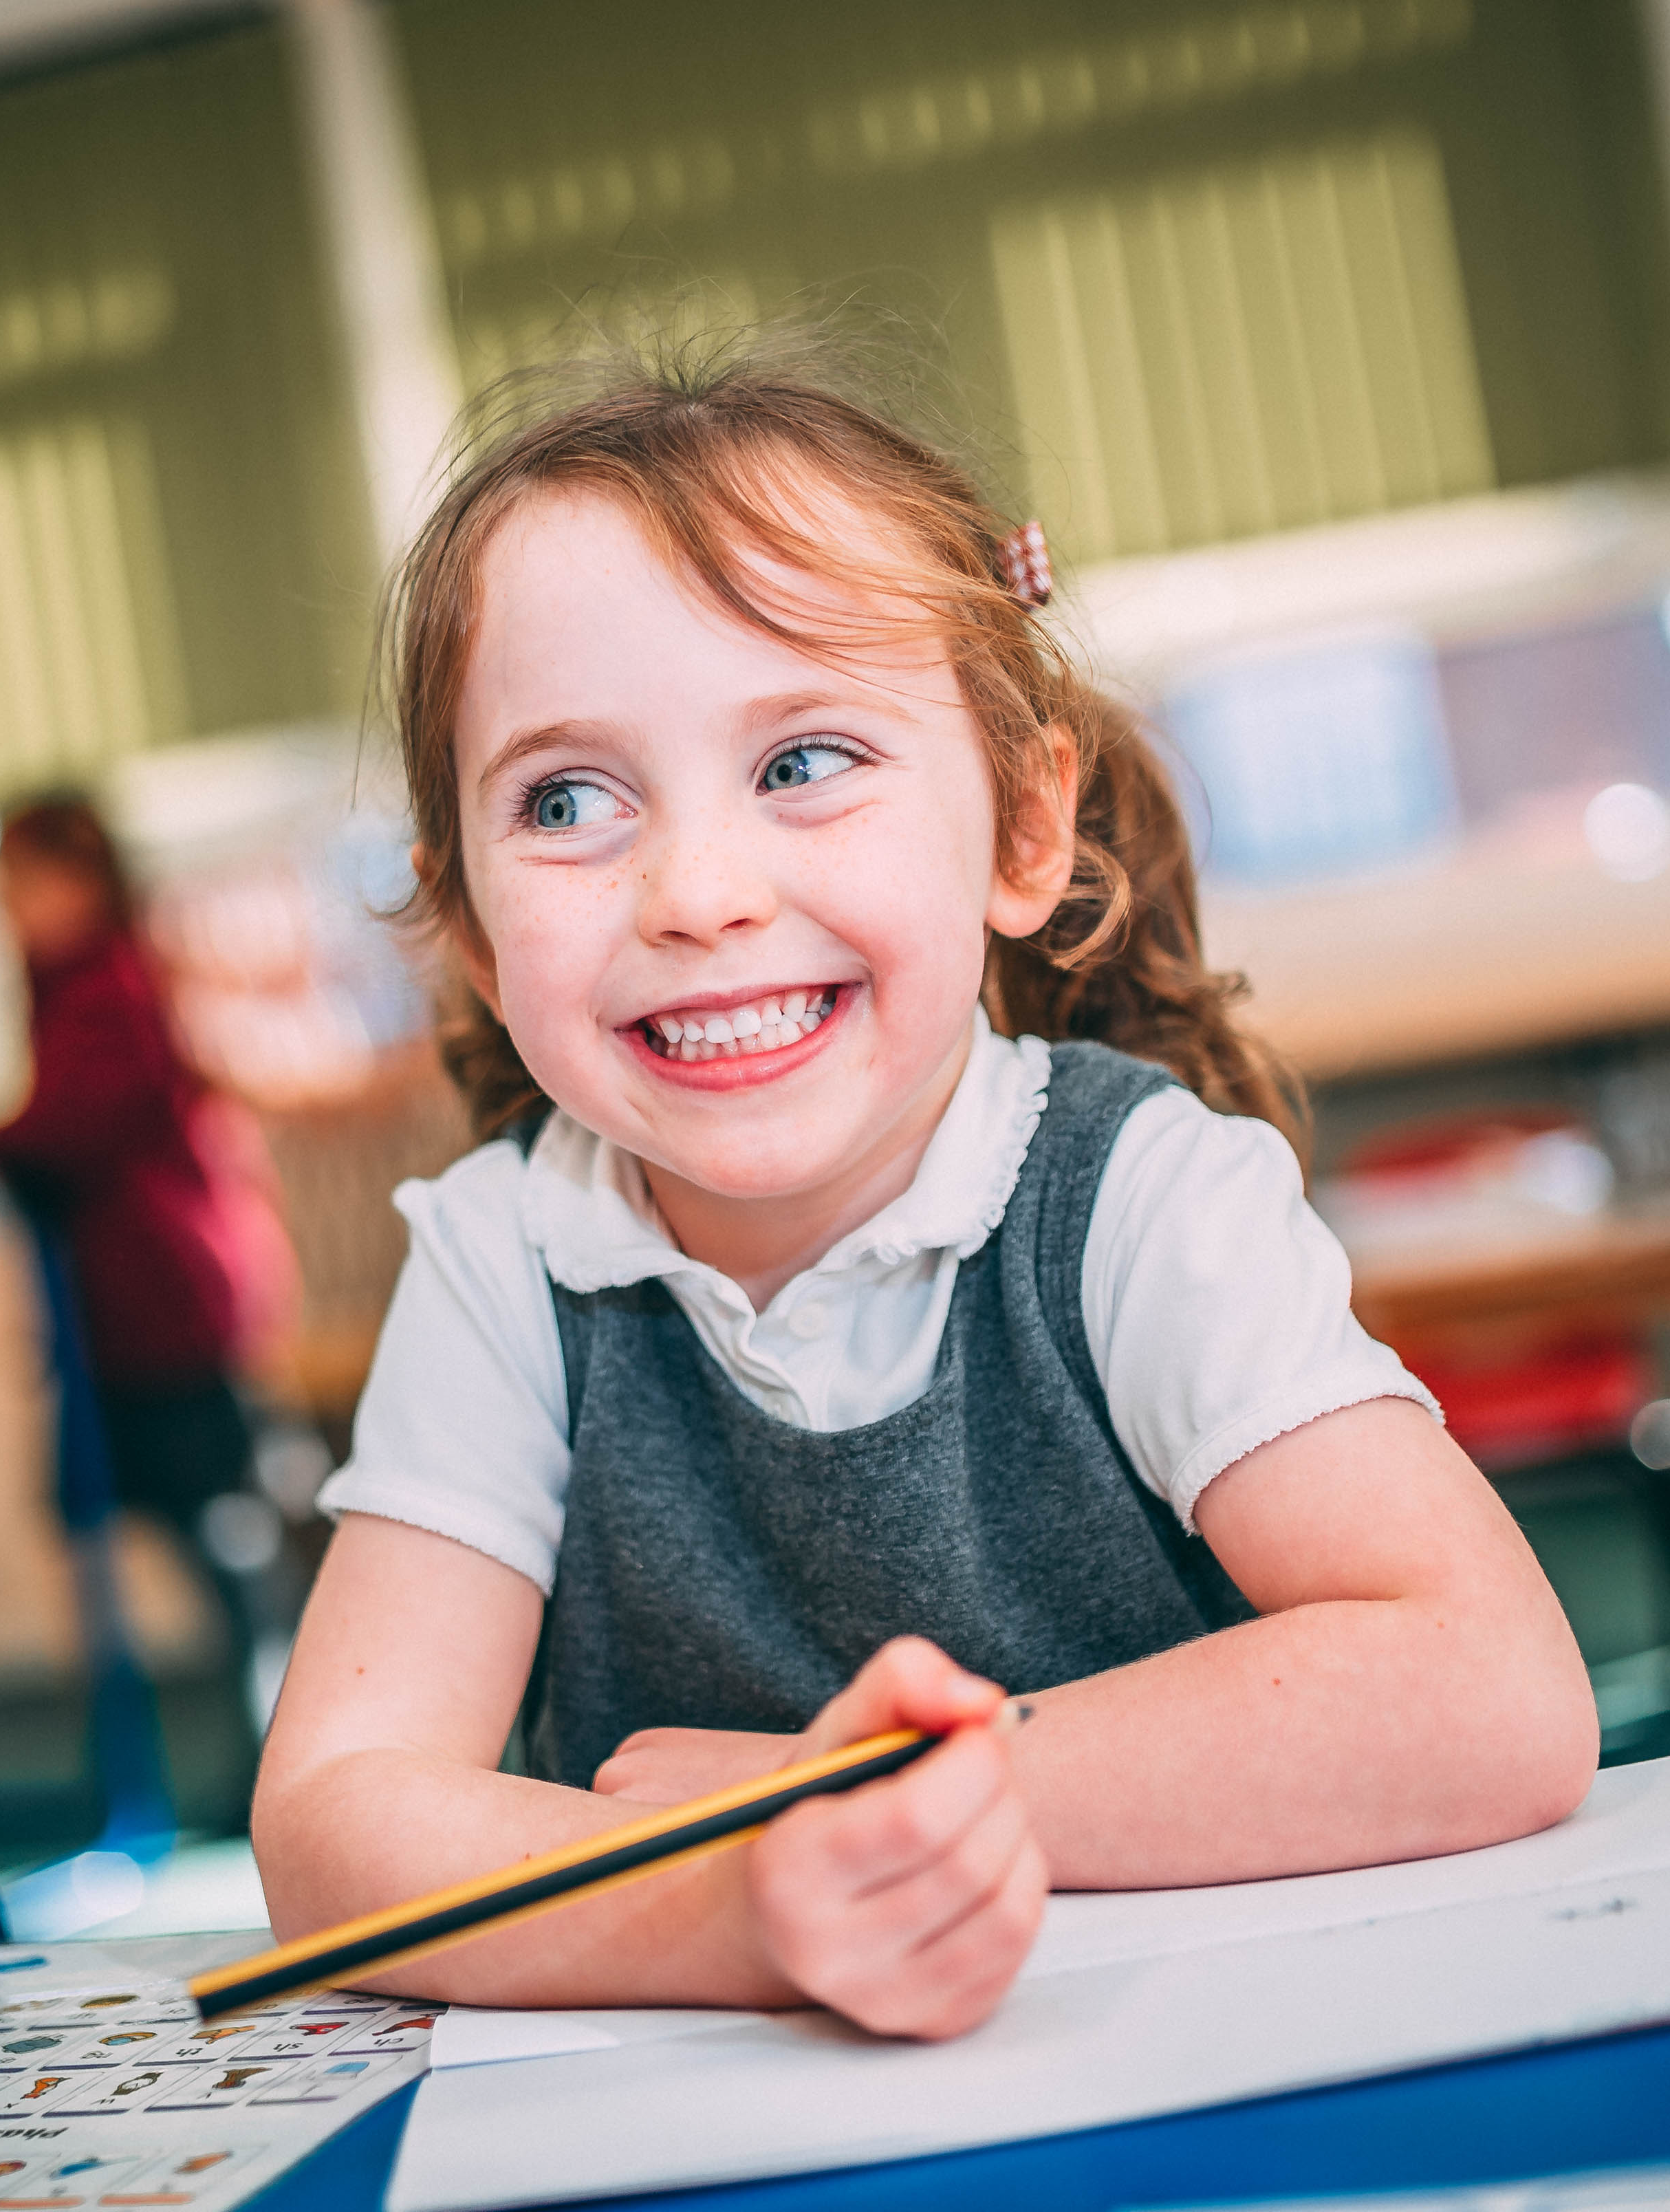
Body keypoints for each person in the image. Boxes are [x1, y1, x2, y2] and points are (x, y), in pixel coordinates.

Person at [251, 343, 1598, 2041]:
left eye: (804, 760)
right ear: (467, 929)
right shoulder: (501, 1258)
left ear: (1023, 831)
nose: (699, 892)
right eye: (568, 800)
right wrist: (747, 1897)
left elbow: (1495, 1689)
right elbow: (331, 1828)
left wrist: (868, 1804)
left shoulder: (1139, 1194)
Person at [0, 796, 289, 1767]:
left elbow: (69, 1128)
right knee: (189, 1526)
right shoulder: (83, 982)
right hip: (144, 1304)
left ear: (79, 881)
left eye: (21, 884)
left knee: (220, 1531)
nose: (6, 908)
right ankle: (270, 1736)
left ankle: (286, 1738)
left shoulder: (110, 983)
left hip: (169, 1300)